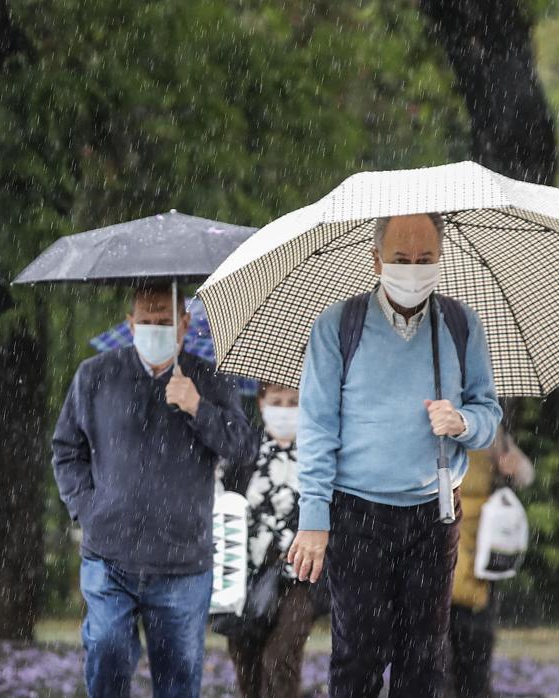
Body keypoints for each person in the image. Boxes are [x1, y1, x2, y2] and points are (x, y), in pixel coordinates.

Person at [286, 213, 503, 698]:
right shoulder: (339, 325)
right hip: (357, 513)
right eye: (401, 259)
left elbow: (489, 414)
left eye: (425, 259)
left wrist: (463, 422)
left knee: (424, 660)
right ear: (376, 259)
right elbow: (317, 429)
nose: (413, 269)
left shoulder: (461, 325)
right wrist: (314, 519)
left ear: (440, 259)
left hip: (434, 514)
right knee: (358, 655)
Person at [52, 283, 254, 698]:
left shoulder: (210, 378)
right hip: (110, 554)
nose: (154, 329)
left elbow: (243, 447)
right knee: (107, 652)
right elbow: (66, 450)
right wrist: (87, 508)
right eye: (145, 321)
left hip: (182, 561)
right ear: (130, 323)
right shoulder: (95, 375)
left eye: (164, 322)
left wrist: (198, 407)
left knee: (178, 680)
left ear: (184, 324)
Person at [217, 383, 316, 698]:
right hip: (245, 575)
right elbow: (222, 502)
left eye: (293, 402)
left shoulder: (318, 454)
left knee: (280, 656)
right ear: (261, 403)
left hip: (301, 576)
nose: (285, 409)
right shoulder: (243, 450)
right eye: (277, 401)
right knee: (245, 658)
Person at [447, 427, 533, 698]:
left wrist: (513, 466)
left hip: (477, 543)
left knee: (472, 634)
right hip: (441, 534)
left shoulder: (487, 425)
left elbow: (526, 473)